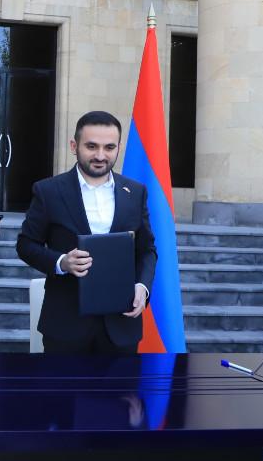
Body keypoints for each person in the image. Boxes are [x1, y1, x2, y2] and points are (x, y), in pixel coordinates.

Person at [16, 111, 157, 354]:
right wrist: (61, 262)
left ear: (119, 148)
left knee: (121, 382)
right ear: (74, 146)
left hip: (122, 324)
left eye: (109, 147)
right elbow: (26, 245)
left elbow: (147, 250)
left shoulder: (135, 192)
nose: (100, 156)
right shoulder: (48, 191)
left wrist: (142, 287)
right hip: (65, 326)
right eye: (91, 146)